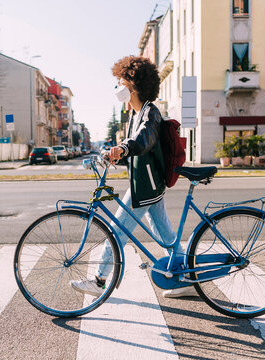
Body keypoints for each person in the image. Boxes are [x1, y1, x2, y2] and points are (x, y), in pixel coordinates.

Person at [70, 56, 197, 299]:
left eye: (120, 82)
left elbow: (144, 139)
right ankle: (186, 277)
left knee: (117, 230)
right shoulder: (136, 113)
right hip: (148, 183)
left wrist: (125, 148)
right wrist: (118, 152)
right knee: (166, 236)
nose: (117, 88)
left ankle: (99, 280)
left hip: (145, 186)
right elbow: (136, 141)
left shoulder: (150, 112)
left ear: (133, 85)